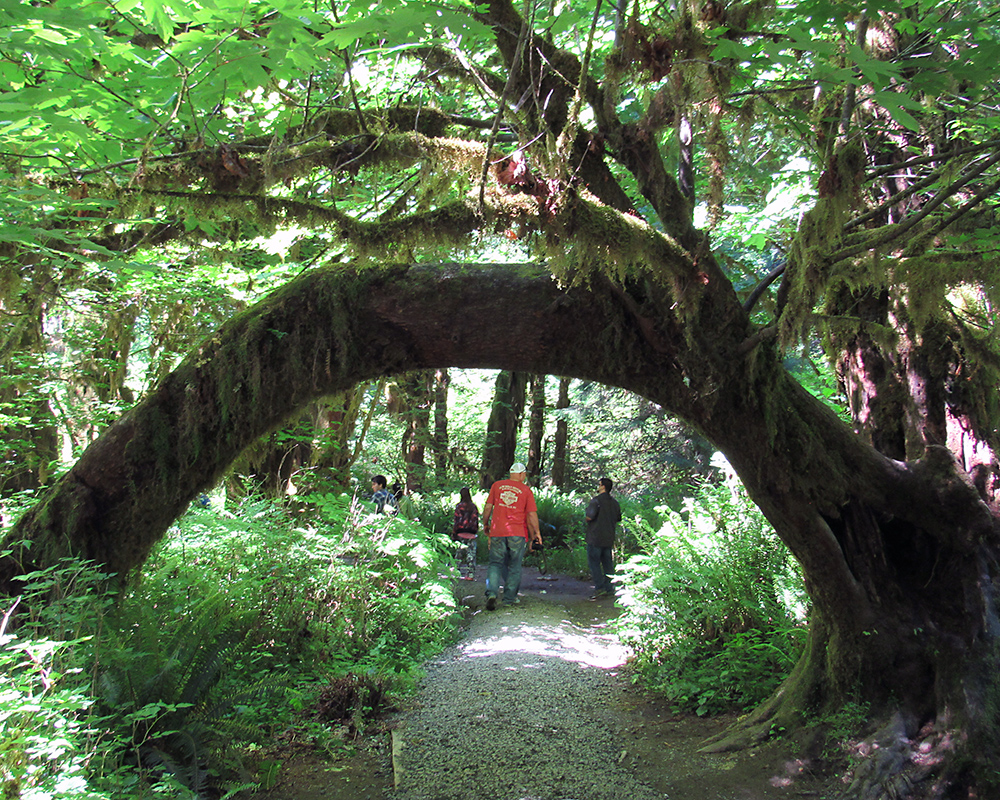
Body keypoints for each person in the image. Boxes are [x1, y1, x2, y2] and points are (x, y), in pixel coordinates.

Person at [482, 462, 542, 609]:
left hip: (497, 531)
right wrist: (537, 533)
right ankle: (509, 598)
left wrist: (485, 524)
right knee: (515, 565)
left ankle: (492, 593)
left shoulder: (497, 486)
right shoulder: (526, 490)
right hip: (517, 533)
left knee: (495, 563)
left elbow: (488, 506)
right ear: (521, 474)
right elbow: (531, 514)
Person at [585, 477, 622, 599]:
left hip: (595, 538)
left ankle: (600, 588)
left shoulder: (596, 501)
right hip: (608, 538)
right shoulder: (615, 503)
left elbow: (589, 517)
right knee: (608, 564)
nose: (598, 486)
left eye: (599, 484)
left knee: (594, 563)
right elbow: (618, 518)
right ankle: (609, 588)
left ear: (603, 487)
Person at [452, 487, 480, 580]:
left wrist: (454, 532)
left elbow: (456, 521)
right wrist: (475, 531)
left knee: (459, 553)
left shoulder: (459, 506)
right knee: (471, 554)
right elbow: (476, 520)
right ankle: (470, 574)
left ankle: (456, 572)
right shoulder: (473, 507)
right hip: (471, 533)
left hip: (460, 533)